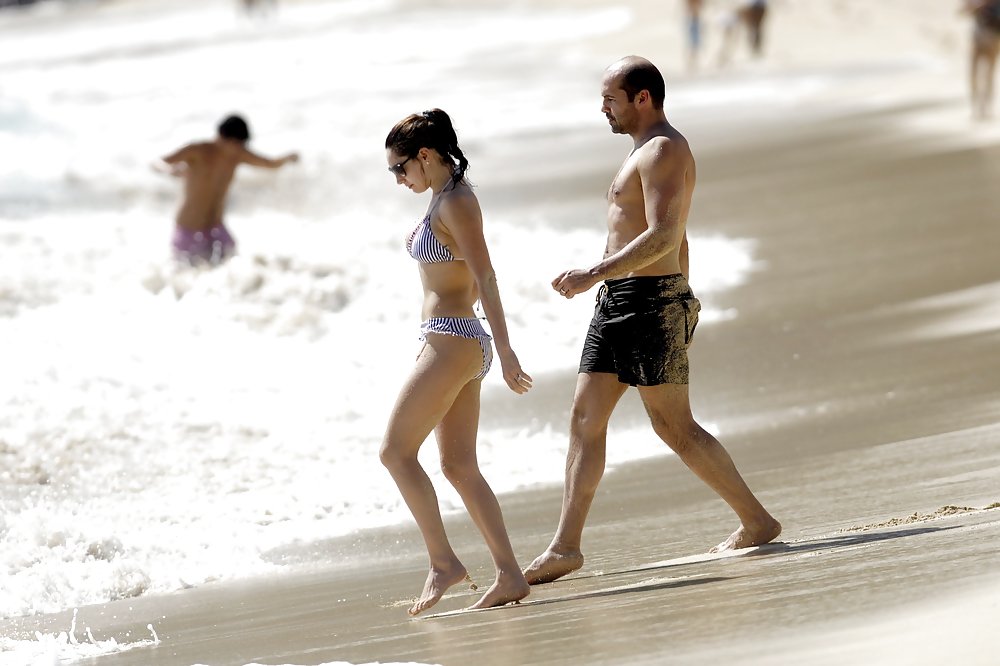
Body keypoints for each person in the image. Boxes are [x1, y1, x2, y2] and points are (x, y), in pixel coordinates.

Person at [523, 56, 781, 586]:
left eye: (610, 99)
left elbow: (664, 233)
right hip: (623, 301)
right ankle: (566, 547)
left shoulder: (664, 149)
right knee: (584, 418)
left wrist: (600, 275)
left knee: (674, 427)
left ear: (643, 98)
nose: (602, 108)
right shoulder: (642, 152)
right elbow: (672, 239)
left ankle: (756, 521)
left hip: (647, 302)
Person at [380, 108, 533, 615]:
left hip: (454, 338)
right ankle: (510, 575)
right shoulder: (445, 198)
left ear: (424, 155)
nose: (399, 180)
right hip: (456, 341)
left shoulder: (457, 203)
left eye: (399, 169)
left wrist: (507, 349)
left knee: (395, 453)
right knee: (459, 466)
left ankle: (443, 562)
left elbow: (486, 276)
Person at [156, 115, 298, 266]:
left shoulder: (237, 155)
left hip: (216, 229)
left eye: (241, 144)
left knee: (234, 267)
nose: (239, 148)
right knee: (189, 276)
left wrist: (287, 158)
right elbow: (160, 161)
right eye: (236, 144)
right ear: (222, 137)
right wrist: (170, 171)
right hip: (189, 230)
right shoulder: (198, 150)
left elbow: (269, 164)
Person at [962, 0, 1000, 120]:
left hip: (993, 38)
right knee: (974, 74)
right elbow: (963, 11)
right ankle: (976, 107)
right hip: (978, 38)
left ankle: (986, 107)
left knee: (989, 74)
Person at [684, 0, 705, 71]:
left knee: (694, 45)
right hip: (694, 22)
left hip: (694, 22)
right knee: (694, 45)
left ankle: (692, 63)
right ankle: (691, 63)